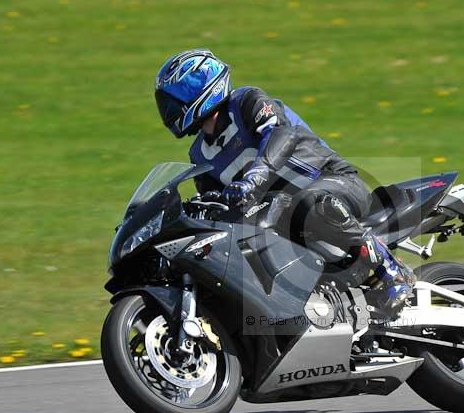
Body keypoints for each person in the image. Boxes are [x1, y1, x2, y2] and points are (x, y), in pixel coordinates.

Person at [154, 48, 413, 315]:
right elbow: (218, 203)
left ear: (200, 88)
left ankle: (390, 271)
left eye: (173, 101)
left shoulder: (246, 102)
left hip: (333, 181)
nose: (168, 111)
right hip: (281, 214)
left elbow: (278, 134)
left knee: (310, 203)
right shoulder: (199, 152)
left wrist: (254, 178)